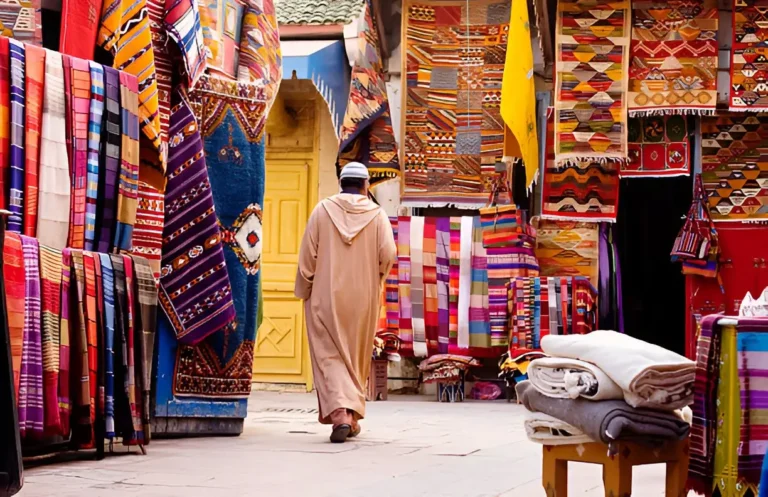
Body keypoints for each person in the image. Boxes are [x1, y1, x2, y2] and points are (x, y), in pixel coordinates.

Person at [294, 161, 396, 443]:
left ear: (341, 183)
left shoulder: (321, 211)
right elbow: (388, 254)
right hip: (362, 297)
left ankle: (339, 413)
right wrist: (376, 278)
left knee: (329, 355)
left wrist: (304, 289)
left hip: (325, 296)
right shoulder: (378, 215)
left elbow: (307, 259)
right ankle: (349, 417)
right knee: (355, 356)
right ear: (365, 186)